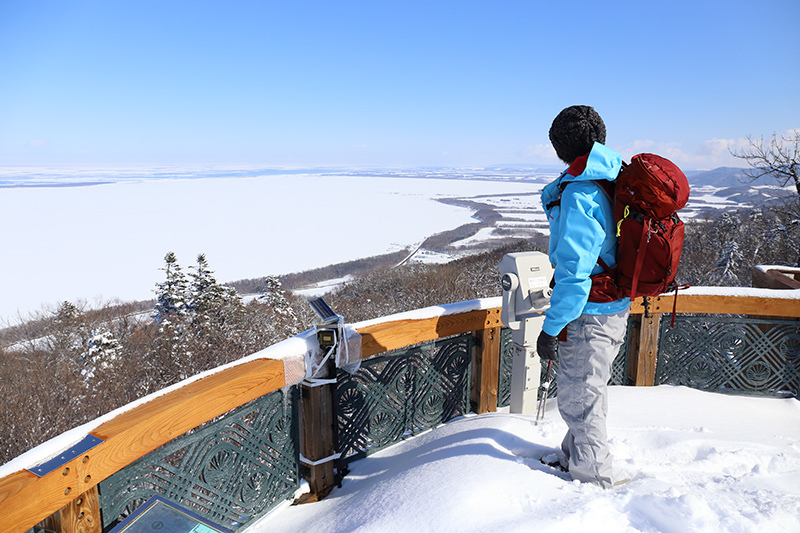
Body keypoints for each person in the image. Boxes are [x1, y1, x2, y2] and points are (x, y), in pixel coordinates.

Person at [536, 105, 631, 488]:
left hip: (590, 312)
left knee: (579, 399)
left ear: (560, 146)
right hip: (613, 307)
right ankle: (574, 455)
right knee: (586, 392)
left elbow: (575, 273)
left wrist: (550, 328)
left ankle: (593, 482)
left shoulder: (581, 193)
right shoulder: (611, 178)